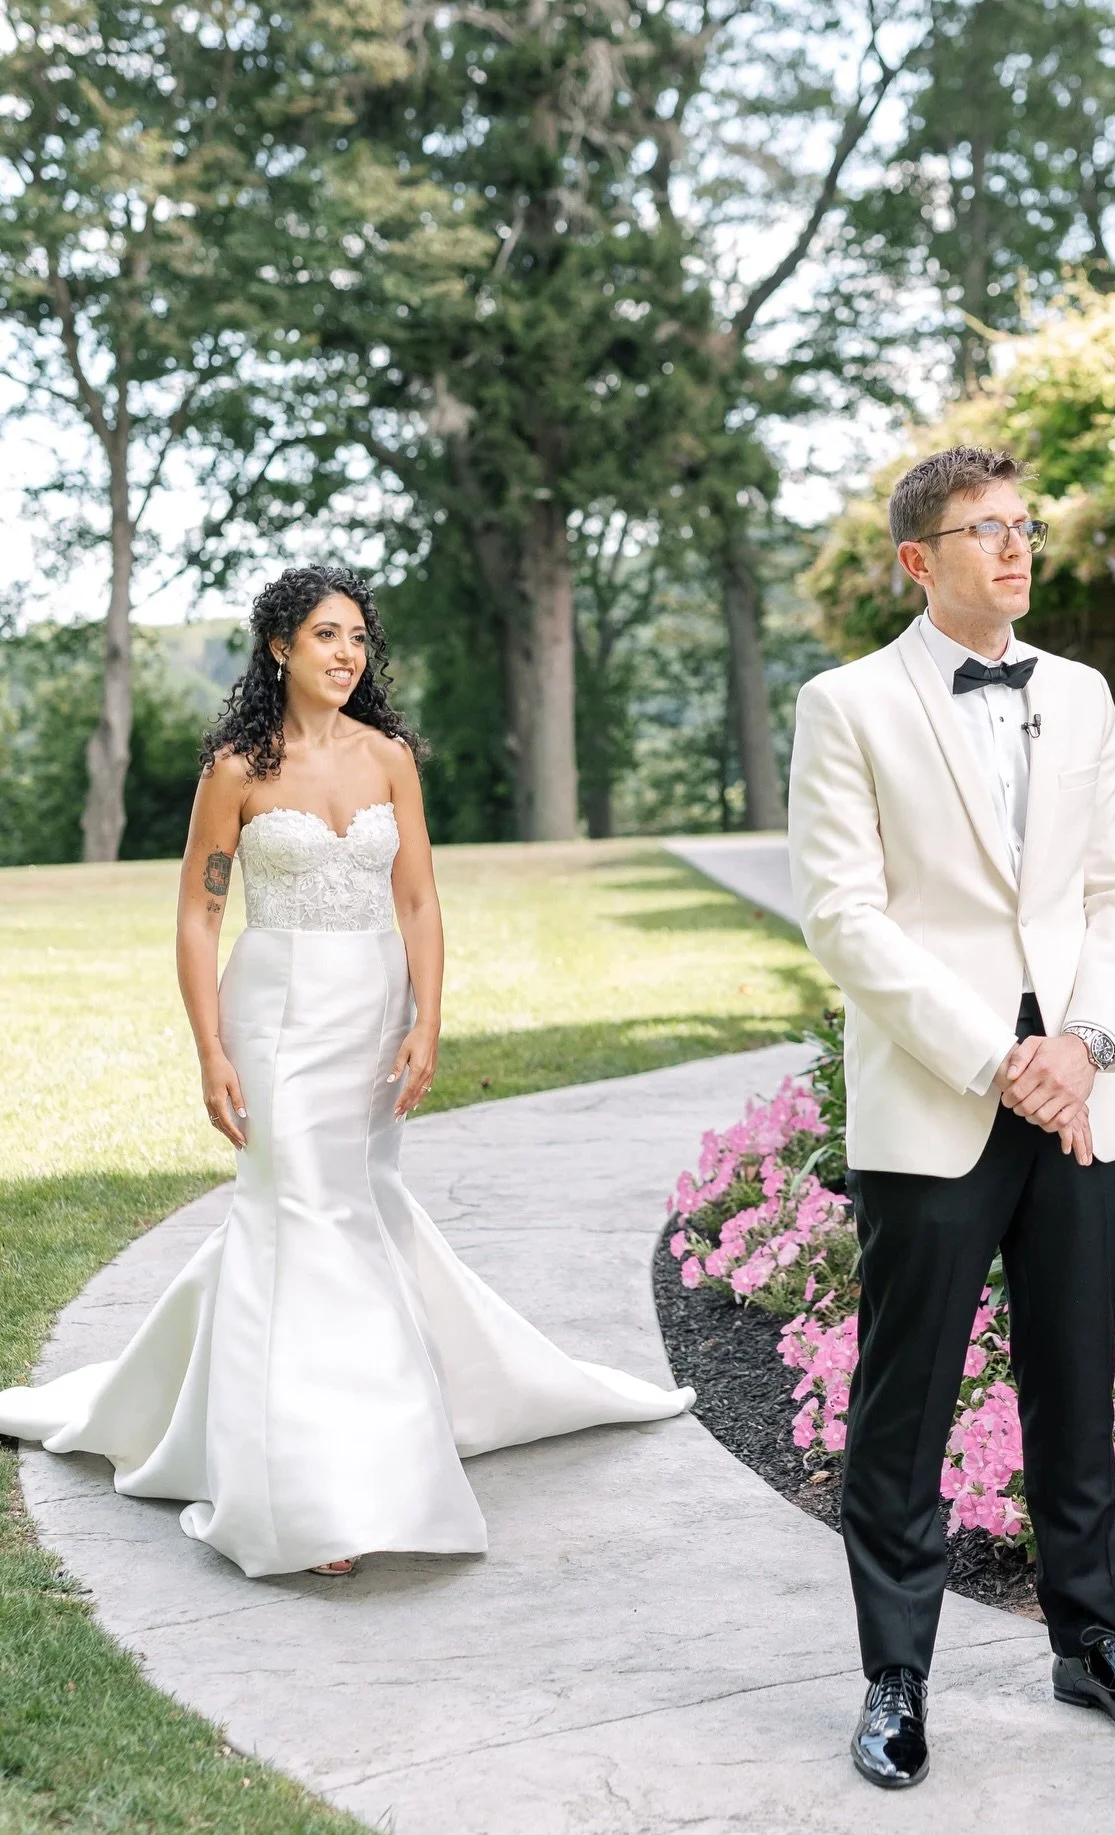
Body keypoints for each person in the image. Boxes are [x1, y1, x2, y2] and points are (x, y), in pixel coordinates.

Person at [0, 565, 692, 1579]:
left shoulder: (390, 759)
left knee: (354, 1210)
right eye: (326, 635)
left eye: (359, 638)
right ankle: (324, 1490)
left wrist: (428, 1021)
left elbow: (417, 900)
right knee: (306, 1218)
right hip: (276, 1015)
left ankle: (315, 1411)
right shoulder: (237, 768)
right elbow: (199, 913)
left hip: (375, 1013)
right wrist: (210, 1049)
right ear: (278, 646)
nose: (346, 654)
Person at [787, 446, 1115, 1788]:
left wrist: (1082, 1046)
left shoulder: (1080, 695)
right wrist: (999, 1056)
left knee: (1077, 1386)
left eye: (1022, 527)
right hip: (937, 1098)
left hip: (1084, 1097)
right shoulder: (845, 704)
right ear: (921, 560)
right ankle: (894, 1681)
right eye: (983, 531)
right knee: (903, 1404)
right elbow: (845, 919)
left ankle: (1093, 1649)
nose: (1015, 550)